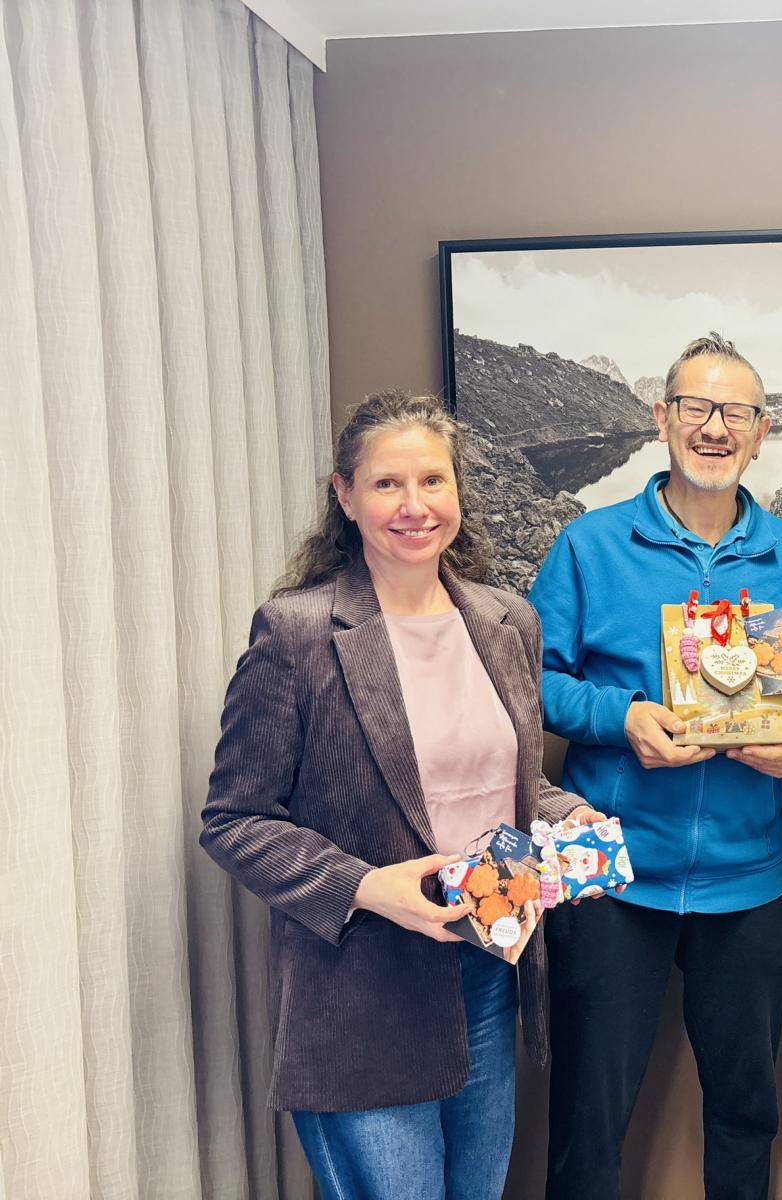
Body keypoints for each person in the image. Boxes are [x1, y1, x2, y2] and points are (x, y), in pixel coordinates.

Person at [200, 391, 605, 1199]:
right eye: (388, 484)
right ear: (344, 496)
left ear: (458, 493)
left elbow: (514, 785)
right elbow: (234, 819)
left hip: (490, 974)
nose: (415, 506)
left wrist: (567, 817)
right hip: (361, 992)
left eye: (433, 481)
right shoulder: (296, 633)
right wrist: (364, 885)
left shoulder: (507, 621)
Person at [530, 333, 782, 1200]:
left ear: (761, 430)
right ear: (662, 417)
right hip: (611, 878)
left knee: (747, 1114)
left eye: (734, 412)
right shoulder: (591, 546)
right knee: (588, 1123)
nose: (715, 427)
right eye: (696, 407)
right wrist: (618, 716)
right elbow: (529, 683)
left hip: (747, 883)